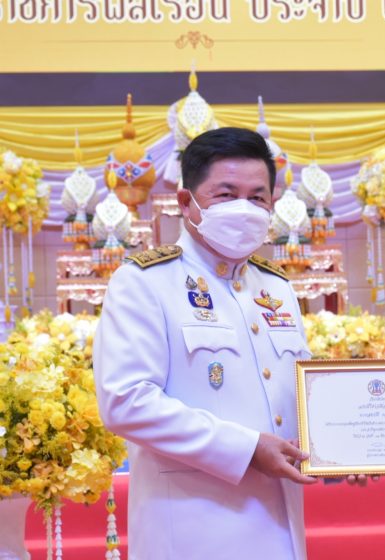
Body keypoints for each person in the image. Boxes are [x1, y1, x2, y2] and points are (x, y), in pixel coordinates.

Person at [94, 127, 318, 560]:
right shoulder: (144, 282)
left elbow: (300, 394)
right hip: (193, 530)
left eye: (257, 197)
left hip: (281, 529)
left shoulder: (276, 288)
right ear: (186, 202)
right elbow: (126, 401)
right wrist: (246, 449)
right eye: (226, 195)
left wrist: (337, 450)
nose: (244, 208)